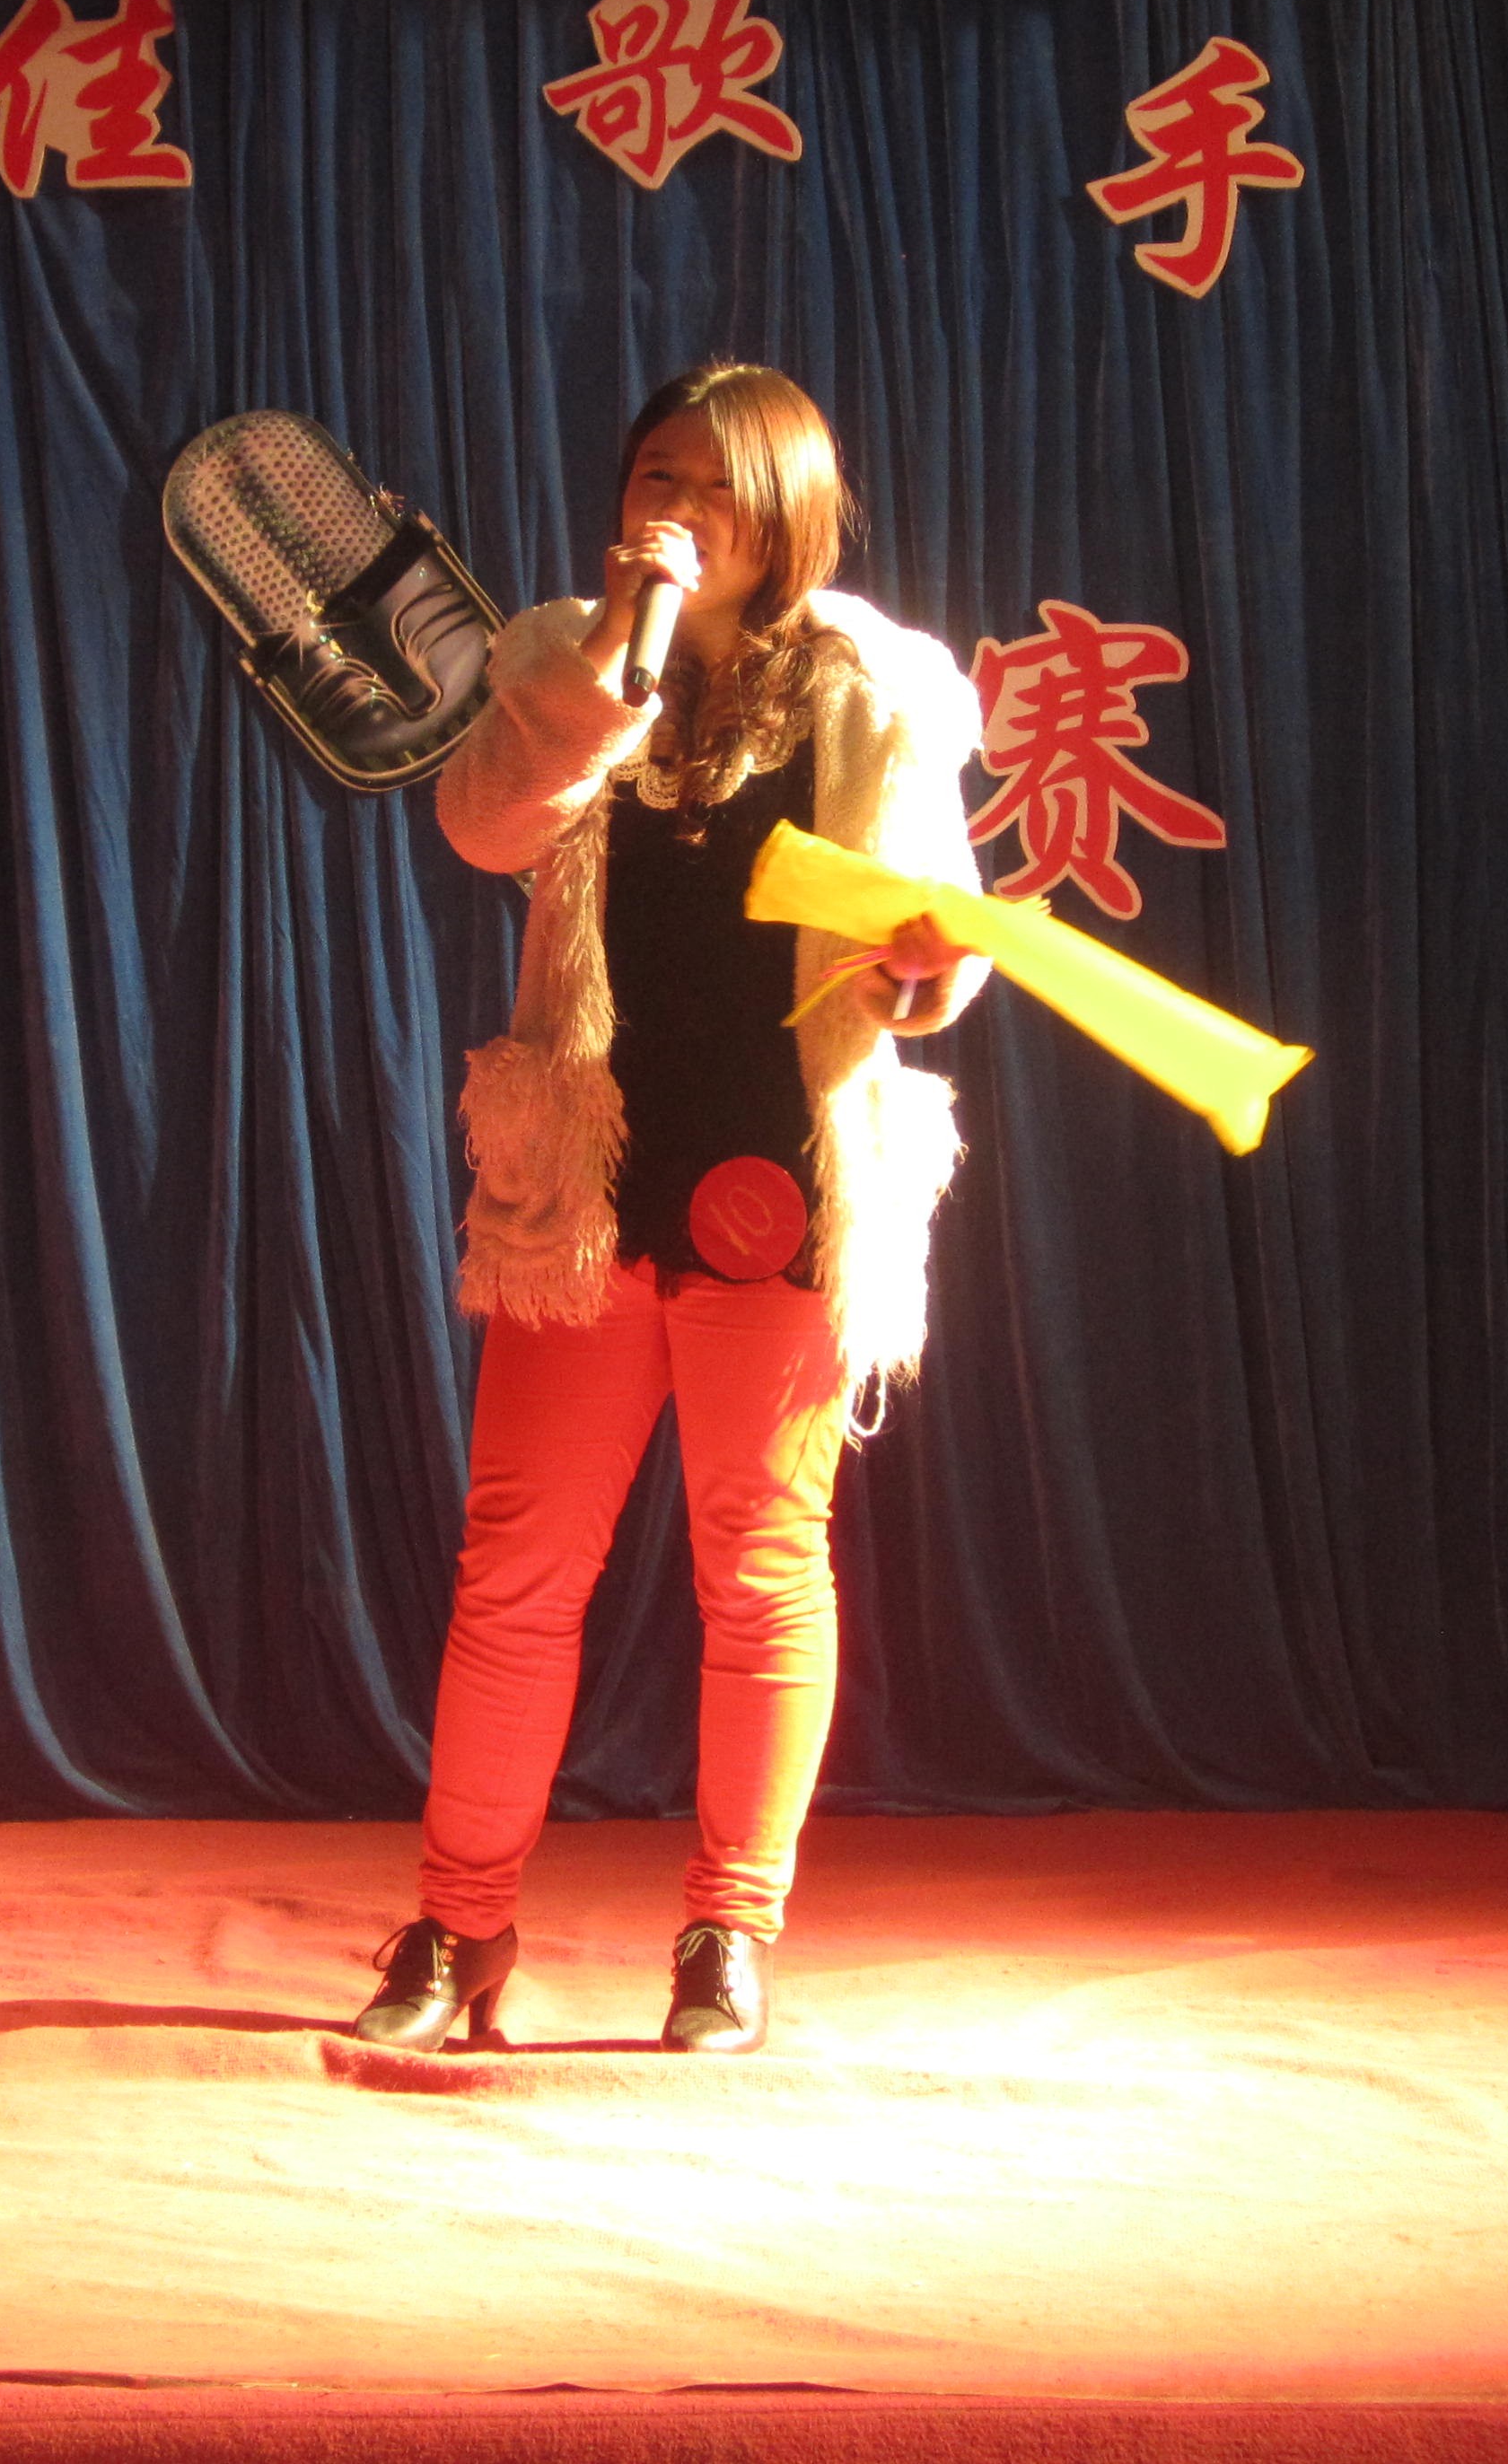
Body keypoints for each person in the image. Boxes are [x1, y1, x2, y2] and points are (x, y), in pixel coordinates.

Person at [352, 362, 992, 2060]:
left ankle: (727, 1933)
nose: (678, 511)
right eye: (655, 476)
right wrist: (610, 680)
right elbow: (486, 826)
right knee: (516, 1568)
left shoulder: (877, 687)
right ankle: (458, 1925)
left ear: (786, 508)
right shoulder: (564, 660)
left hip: (779, 1173)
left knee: (762, 1566)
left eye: (714, 486)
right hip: (589, 1179)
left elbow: (941, 932)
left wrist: (921, 972)